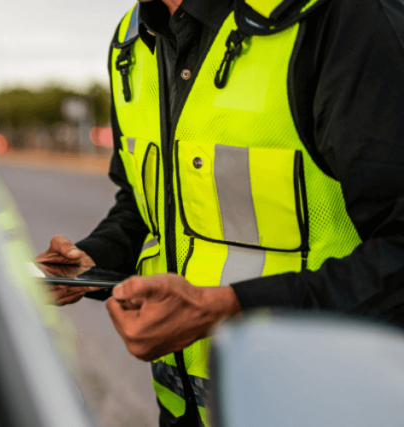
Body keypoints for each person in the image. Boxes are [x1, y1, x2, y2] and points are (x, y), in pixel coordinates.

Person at [37, 0, 404, 425]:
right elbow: (146, 208)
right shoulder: (131, 43)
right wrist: (91, 262)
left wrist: (231, 307)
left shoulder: (339, 17)